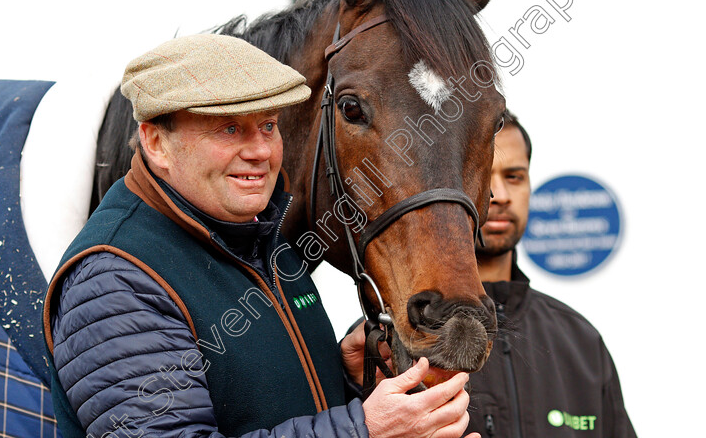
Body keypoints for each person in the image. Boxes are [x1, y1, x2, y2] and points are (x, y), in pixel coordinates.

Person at [42, 34, 481, 438]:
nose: (259, 151)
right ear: (156, 142)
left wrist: (344, 377)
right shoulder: (114, 280)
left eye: (268, 126)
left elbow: (262, 407)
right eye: (229, 128)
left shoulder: (262, 240)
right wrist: (363, 430)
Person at [467, 110, 636, 437]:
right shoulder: (398, 338)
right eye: (482, 174)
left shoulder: (581, 341)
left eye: (514, 176)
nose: (500, 195)